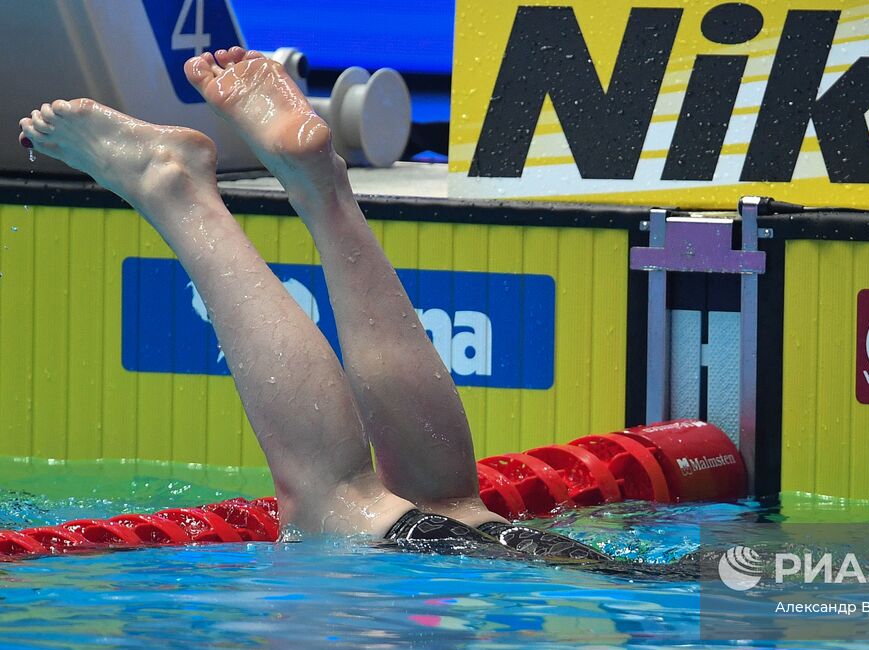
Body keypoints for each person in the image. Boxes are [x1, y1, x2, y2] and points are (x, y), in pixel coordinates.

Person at [18, 48, 607, 561]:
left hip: (573, 565)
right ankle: (188, 192)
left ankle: (309, 188)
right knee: (363, 507)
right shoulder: (711, 602)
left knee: (441, 504)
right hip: (657, 587)